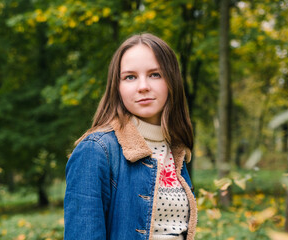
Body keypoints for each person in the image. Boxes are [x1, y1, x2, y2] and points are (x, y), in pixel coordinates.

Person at [64, 33, 197, 240]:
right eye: (130, 77)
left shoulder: (176, 150)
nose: (143, 86)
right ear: (117, 88)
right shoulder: (96, 150)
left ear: (172, 80)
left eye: (155, 74)